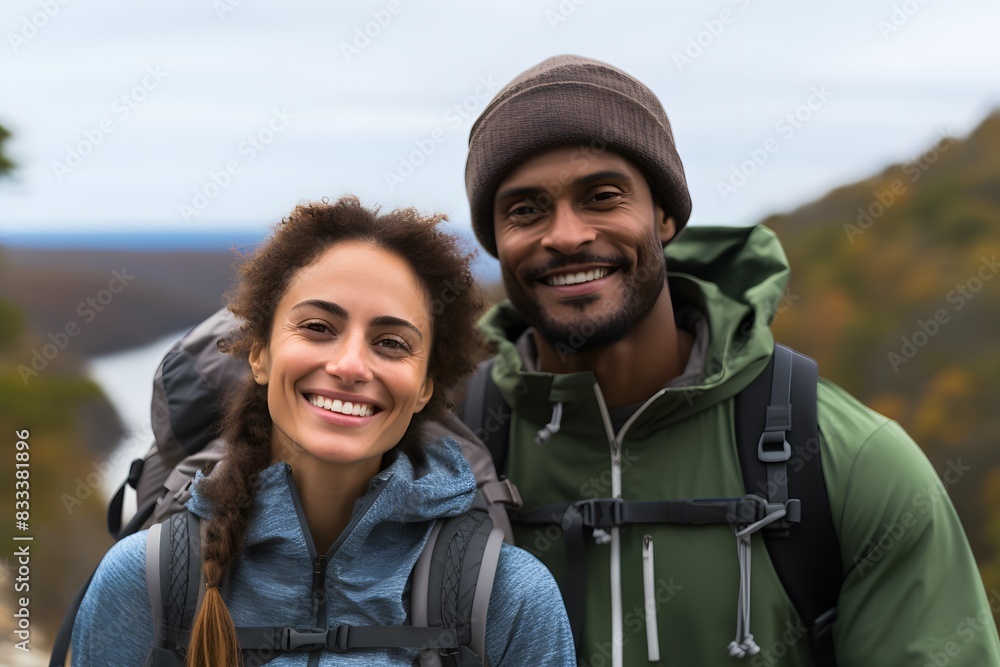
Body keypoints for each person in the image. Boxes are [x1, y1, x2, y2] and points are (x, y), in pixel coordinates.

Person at [460, 54, 1000, 666]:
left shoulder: (849, 462)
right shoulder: (444, 454)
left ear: (664, 215)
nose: (565, 234)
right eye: (525, 210)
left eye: (602, 197)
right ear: (495, 243)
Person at [70, 196, 576, 666]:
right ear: (259, 354)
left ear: (425, 387)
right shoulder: (145, 582)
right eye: (317, 327)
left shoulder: (509, 598)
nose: (351, 364)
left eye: (392, 342)